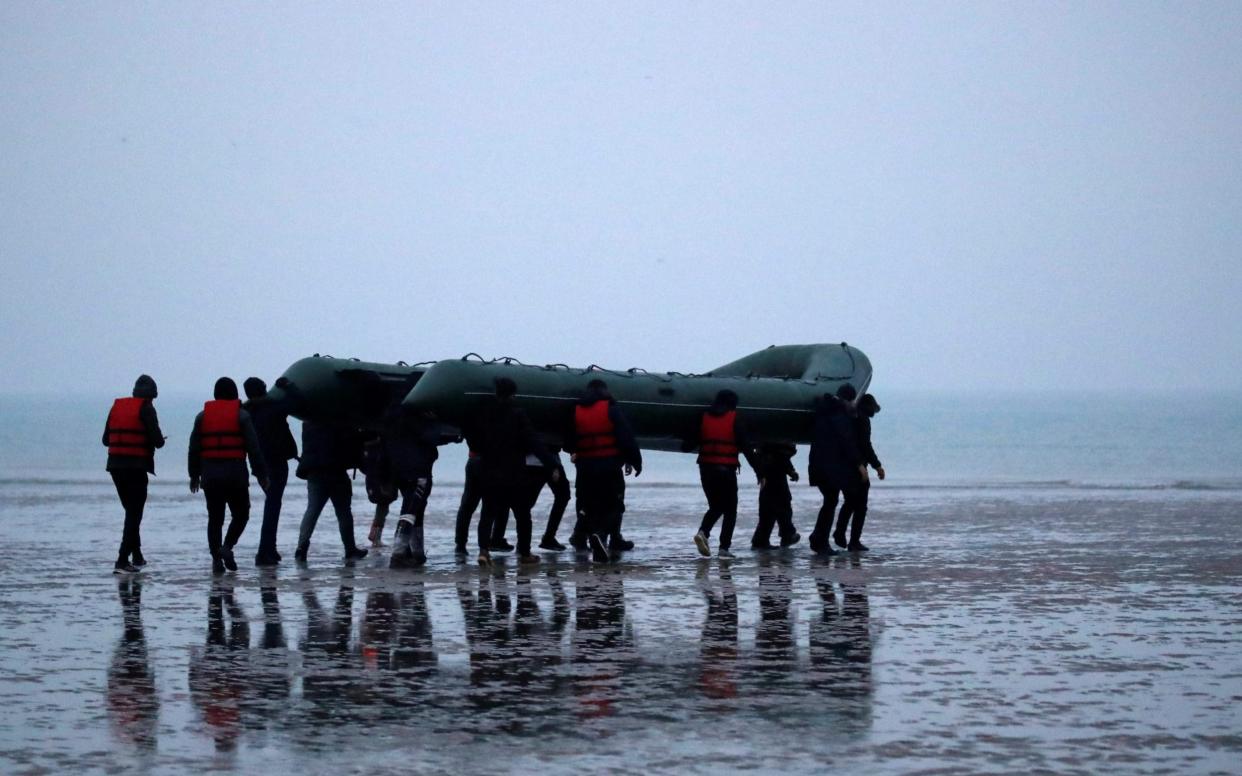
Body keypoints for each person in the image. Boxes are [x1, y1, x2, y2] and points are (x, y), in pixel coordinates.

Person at [461, 377, 558, 566]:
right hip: (514, 472)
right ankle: (524, 554)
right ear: (513, 394)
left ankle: (483, 551)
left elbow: (473, 437)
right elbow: (533, 441)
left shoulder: (484, 414)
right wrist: (550, 464)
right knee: (522, 515)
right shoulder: (518, 414)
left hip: (488, 470)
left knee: (487, 513)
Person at [188, 377, 268, 574]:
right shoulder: (242, 416)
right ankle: (227, 547)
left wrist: (194, 475)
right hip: (235, 476)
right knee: (241, 514)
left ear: (215, 394)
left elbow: (194, 448)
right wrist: (261, 475)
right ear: (234, 394)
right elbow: (254, 449)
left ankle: (216, 560)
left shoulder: (202, 417)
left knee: (215, 518)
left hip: (210, 477)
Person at [563, 378, 642, 563]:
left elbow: (568, 440)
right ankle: (600, 535)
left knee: (586, 505)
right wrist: (635, 461)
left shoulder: (576, 410)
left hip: (585, 467)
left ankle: (582, 536)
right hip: (609, 466)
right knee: (614, 506)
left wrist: (574, 451)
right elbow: (626, 437)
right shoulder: (612, 409)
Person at [103, 374, 165, 574]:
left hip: (115, 467)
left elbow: (105, 440)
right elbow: (157, 441)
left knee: (131, 511)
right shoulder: (147, 408)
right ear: (152, 395)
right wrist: (160, 440)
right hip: (136, 467)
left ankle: (137, 555)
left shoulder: (116, 407)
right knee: (134, 513)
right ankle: (121, 560)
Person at [688, 389, 759, 558]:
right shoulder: (735, 418)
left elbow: (688, 443)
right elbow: (747, 448)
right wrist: (760, 471)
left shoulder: (703, 416)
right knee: (730, 510)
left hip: (705, 469)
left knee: (716, 506)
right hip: (726, 470)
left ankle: (703, 532)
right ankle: (724, 548)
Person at [242, 377, 300, 567]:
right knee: (273, 506)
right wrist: (286, 386)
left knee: (272, 504)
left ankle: (270, 549)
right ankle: (263, 552)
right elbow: (295, 403)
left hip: (259, 465)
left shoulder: (247, 411)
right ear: (263, 389)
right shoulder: (274, 408)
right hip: (276, 463)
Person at [294, 420, 368, 563]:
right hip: (336, 471)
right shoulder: (338, 419)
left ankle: (301, 548)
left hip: (314, 472)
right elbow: (353, 441)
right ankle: (350, 549)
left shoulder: (308, 421)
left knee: (312, 510)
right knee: (343, 511)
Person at [806, 384, 865, 555]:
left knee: (829, 501)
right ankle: (820, 541)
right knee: (831, 502)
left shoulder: (822, 410)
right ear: (848, 399)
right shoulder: (838, 414)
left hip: (817, 463)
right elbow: (846, 441)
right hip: (830, 467)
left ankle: (819, 538)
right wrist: (860, 464)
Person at [387, 405, 444, 568]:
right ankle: (398, 554)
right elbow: (430, 438)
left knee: (414, 509)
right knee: (411, 510)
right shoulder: (420, 419)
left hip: (400, 471)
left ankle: (416, 553)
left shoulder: (395, 417)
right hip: (419, 471)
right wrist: (435, 422)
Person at [495, 445, 571, 552]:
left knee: (520, 502)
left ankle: (501, 539)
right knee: (524, 505)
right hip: (546, 461)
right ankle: (533, 543)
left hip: (531, 460)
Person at [834, 393, 884, 551]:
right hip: (856, 468)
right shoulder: (862, 420)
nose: (874, 413)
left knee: (849, 503)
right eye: (873, 410)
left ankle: (840, 533)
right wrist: (877, 466)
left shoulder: (851, 418)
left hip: (845, 466)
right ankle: (853, 541)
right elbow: (865, 445)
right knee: (860, 506)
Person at [750, 443, 801, 549]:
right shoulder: (777, 446)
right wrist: (791, 471)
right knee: (782, 505)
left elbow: (781, 457)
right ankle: (786, 534)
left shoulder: (767, 443)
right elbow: (781, 457)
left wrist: (790, 471)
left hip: (769, 470)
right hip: (774, 471)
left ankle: (762, 540)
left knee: (769, 508)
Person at [360, 431, 397, 547]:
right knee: (384, 504)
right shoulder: (381, 443)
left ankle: (376, 535)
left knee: (383, 505)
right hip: (382, 475)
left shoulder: (368, 443)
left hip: (375, 474)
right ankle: (376, 536)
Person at [452, 446, 484, 557]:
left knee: (467, 505)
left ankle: (460, 544)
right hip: (492, 461)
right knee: (489, 507)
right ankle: (484, 547)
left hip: (474, 458)